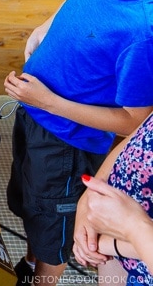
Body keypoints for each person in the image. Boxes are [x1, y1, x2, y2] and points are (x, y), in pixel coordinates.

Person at [3, 0, 153, 285]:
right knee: (29, 204)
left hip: (67, 145)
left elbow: (132, 122)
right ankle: (32, 262)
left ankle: (44, 279)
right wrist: (44, 28)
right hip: (36, 117)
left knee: (54, 225)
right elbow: (74, 8)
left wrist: (49, 102)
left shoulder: (141, 31)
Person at [74, 112, 153, 286]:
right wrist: (89, 195)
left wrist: (106, 243)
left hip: (139, 260)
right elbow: (141, 131)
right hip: (116, 229)